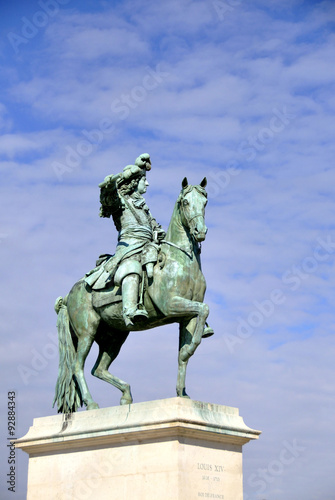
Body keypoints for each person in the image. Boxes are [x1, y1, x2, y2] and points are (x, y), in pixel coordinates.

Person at [88, 153, 165, 327]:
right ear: (133, 183)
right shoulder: (122, 202)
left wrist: (160, 235)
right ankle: (130, 310)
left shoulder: (144, 208)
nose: (147, 183)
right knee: (132, 267)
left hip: (148, 247)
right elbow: (109, 200)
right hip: (129, 248)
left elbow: (155, 228)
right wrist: (107, 189)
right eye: (143, 180)